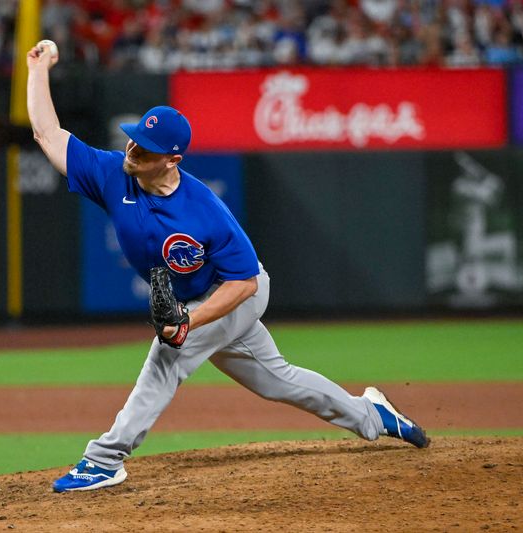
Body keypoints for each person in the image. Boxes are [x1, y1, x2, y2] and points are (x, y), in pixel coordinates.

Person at [25, 41, 429, 494]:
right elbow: (48, 134)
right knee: (279, 381)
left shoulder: (204, 210)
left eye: (147, 147)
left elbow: (245, 282)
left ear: (172, 159)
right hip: (199, 299)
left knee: (168, 354)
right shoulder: (113, 172)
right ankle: (372, 415)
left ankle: (104, 459)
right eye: (135, 137)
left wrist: (188, 321)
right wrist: (38, 70)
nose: (134, 148)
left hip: (237, 291)